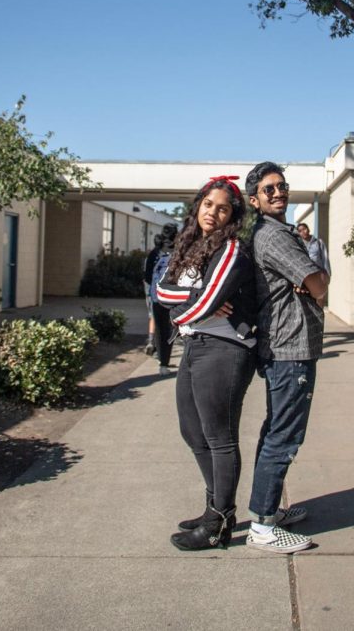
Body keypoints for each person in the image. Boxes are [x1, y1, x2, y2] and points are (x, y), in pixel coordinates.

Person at [156, 175, 257, 551]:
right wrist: (201, 298)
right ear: (198, 205)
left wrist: (195, 303)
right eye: (208, 204)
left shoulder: (231, 249)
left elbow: (194, 304)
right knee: (192, 432)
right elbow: (162, 290)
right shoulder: (191, 245)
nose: (213, 212)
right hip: (195, 344)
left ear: (232, 215)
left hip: (225, 348)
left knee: (219, 437)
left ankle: (219, 523)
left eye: (223, 208)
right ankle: (213, 508)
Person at [244, 161, 329, 553]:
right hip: (289, 349)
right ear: (255, 200)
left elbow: (310, 283)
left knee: (276, 430)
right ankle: (261, 527)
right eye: (269, 189)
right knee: (284, 435)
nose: (278, 193)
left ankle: (268, 510)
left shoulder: (277, 233)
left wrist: (309, 285)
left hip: (288, 348)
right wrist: (313, 285)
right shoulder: (276, 237)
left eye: (282, 186)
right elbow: (319, 282)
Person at [149, 223, 178, 375]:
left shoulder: (155, 252)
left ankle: (163, 364)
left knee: (160, 330)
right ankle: (167, 359)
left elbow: (147, 276)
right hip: (174, 297)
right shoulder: (179, 251)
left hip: (156, 296)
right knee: (172, 329)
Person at [143, 233, 163, 356]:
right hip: (160, 290)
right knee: (161, 317)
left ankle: (151, 340)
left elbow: (145, 274)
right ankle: (158, 344)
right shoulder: (164, 255)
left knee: (152, 315)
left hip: (149, 289)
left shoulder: (150, 256)